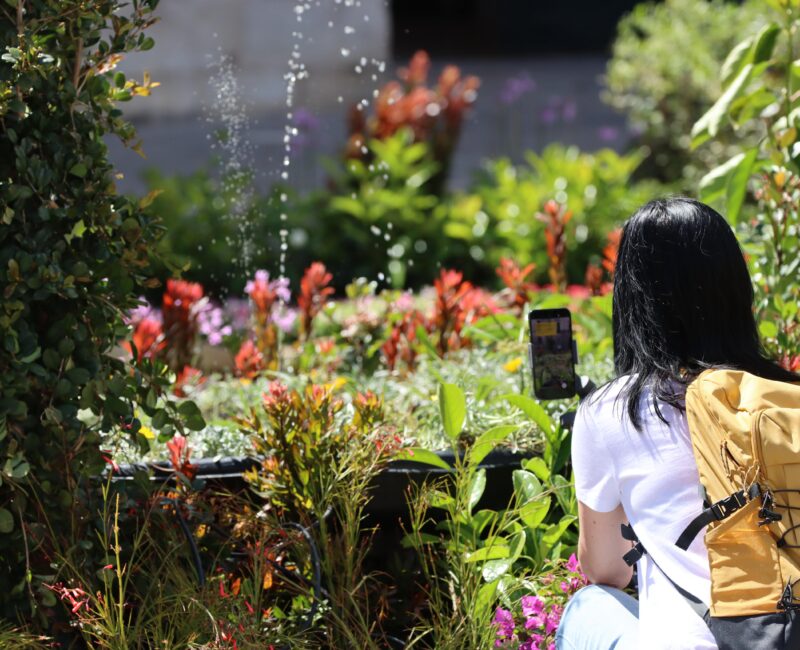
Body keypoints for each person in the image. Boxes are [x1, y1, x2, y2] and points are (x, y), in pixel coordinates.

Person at [554, 198, 800, 650]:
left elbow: (608, 570)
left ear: (632, 296)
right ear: (733, 288)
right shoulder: (784, 396)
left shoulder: (611, 411)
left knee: (587, 606)